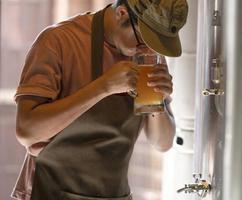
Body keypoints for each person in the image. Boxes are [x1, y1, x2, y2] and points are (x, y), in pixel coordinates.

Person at [12, 0, 188, 199]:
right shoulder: (57, 41)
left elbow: (162, 143)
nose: (147, 49)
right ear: (122, 13)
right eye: (143, 39)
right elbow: (27, 132)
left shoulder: (148, 55)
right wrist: (103, 87)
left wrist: (158, 102)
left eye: (156, 44)